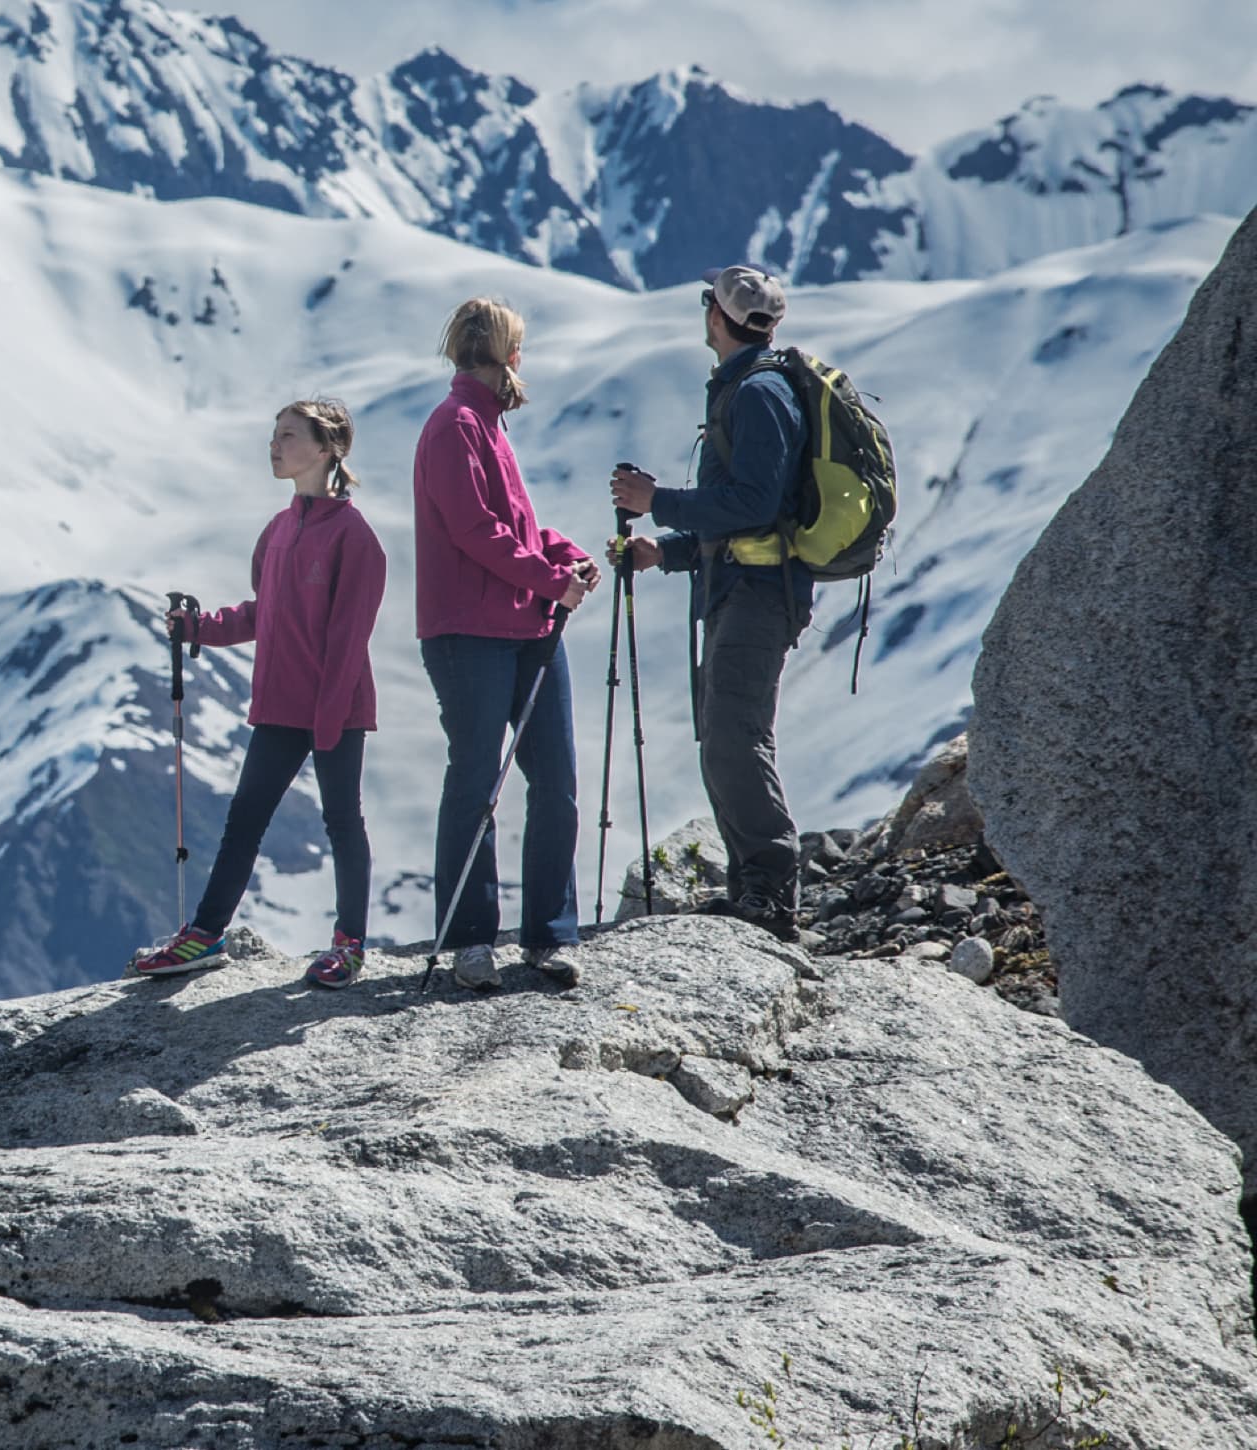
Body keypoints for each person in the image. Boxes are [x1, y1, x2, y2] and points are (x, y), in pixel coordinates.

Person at [132, 400, 386, 987]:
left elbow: (350, 638)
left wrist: (327, 721)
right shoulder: (278, 529)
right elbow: (262, 612)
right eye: (274, 436)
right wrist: (201, 628)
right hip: (280, 704)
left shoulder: (355, 537)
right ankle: (205, 934)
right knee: (244, 820)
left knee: (342, 820)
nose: (274, 446)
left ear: (327, 449)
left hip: (334, 708)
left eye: (288, 436)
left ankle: (349, 945)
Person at [610, 264, 814, 942]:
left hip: (756, 594)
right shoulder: (753, 387)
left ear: (718, 318)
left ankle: (770, 891)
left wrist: (656, 502)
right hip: (742, 587)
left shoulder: (756, 393)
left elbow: (753, 505)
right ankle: (753, 888)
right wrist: (665, 550)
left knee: (733, 734)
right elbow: (746, 510)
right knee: (725, 733)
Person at [412, 297, 599, 990]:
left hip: (516, 626)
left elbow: (509, 529)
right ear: (509, 355)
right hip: (476, 634)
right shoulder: (458, 425)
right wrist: (554, 581)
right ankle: (503, 937)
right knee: (499, 782)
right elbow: (477, 533)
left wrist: (564, 556)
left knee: (522, 781)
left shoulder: (477, 423)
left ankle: (514, 938)